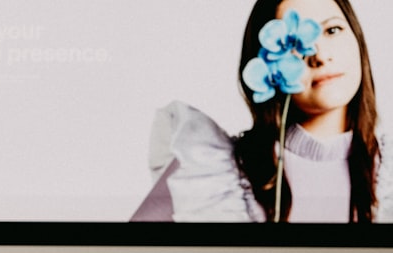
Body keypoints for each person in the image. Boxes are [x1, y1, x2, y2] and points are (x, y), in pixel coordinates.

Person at [131, 0, 391, 223]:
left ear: (358, 39)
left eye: (332, 30)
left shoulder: (387, 171)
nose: (319, 55)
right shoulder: (208, 169)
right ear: (263, 61)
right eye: (294, 45)